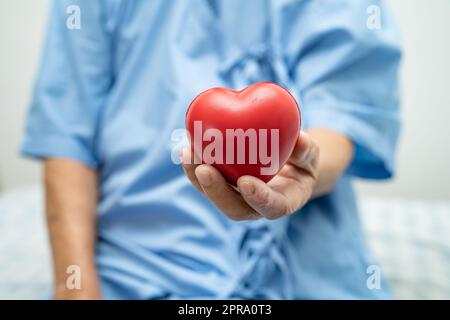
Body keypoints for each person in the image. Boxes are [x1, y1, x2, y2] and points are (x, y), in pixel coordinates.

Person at [22, 0, 401, 299]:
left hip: (308, 278)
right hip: (134, 274)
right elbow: (67, 141)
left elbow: (347, 117)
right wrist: (77, 291)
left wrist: (304, 167)